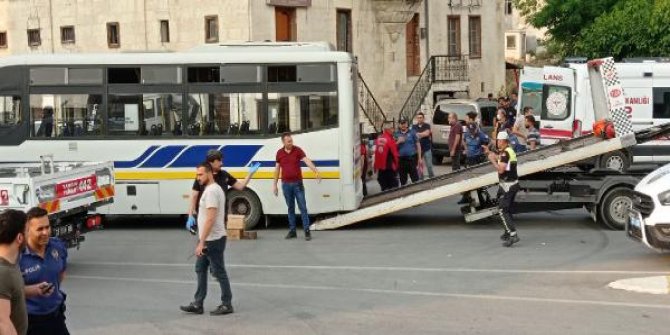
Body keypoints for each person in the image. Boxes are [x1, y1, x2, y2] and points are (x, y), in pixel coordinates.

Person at [181, 163, 234, 316]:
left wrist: (202, 242)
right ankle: (198, 303)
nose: (198, 178)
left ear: (209, 173)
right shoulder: (211, 189)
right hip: (208, 238)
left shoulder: (211, 191)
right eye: (197, 175)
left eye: (200, 174)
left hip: (213, 239)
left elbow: (210, 218)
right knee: (200, 268)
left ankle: (227, 303)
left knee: (218, 271)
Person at [18, 208, 69, 335]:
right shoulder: (18, 256)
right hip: (30, 323)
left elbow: (61, 273)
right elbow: (11, 291)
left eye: (47, 227)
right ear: (27, 230)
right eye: (40, 229)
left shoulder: (57, 246)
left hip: (56, 317)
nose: (45, 232)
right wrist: (35, 290)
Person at [186, 149, 260, 234]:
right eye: (219, 161)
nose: (222, 163)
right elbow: (194, 196)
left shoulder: (224, 175)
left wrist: (250, 173)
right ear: (211, 162)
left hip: (221, 216)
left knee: (217, 241)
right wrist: (190, 216)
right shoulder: (202, 176)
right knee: (209, 241)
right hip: (206, 216)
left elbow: (240, 186)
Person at [273, 132, 321, 241]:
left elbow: (307, 161)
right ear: (283, 142)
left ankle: (307, 231)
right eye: (288, 141)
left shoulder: (298, 150)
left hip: (297, 184)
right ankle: (292, 231)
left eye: (291, 140)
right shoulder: (279, 153)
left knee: (303, 207)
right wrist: (274, 185)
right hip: (286, 185)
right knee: (290, 208)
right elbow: (277, 170)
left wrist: (316, 171)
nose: (291, 142)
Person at [483, 132, 520, 247]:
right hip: (511, 185)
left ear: (503, 141)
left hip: (509, 186)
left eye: (498, 140)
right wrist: (491, 153)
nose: (497, 142)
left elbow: (501, 170)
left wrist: (492, 160)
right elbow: (502, 159)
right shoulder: (508, 150)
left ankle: (513, 235)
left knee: (502, 210)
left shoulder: (505, 153)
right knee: (507, 210)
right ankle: (507, 232)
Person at [0, 210, 28, 335]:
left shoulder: (11, 264)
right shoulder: (3, 272)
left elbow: (12, 293)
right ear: (20, 237)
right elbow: (2, 322)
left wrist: (35, 290)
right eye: (27, 231)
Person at [394, 118, 422, 185]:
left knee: (415, 180)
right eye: (401, 123)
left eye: (404, 123)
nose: (403, 125)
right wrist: (398, 142)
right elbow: (392, 148)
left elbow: (418, 145)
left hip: (411, 159)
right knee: (403, 181)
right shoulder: (396, 134)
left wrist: (420, 158)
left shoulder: (412, 132)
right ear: (399, 124)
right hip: (401, 160)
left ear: (407, 124)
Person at [374, 122, 400, 191]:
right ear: (387, 129)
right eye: (392, 128)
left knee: (384, 189)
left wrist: (375, 167)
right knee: (394, 188)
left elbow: (376, 153)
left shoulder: (378, 139)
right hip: (389, 168)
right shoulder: (390, 139)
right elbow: (395, 154)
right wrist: (397, 166)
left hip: (381, 170)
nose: (393, 130)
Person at [413, 112, 435, 179]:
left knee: (429, 166)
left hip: (427, 148)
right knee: (419, 166)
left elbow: (427, 133)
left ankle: (432, 178)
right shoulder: (414, 126)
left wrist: (418, 134)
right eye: (418, 118)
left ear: (423, 118)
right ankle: (421, 179)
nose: (419, 119)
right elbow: (414, 135)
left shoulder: (427, 125)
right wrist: (422, 134)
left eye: (421, 118)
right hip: (418, 150)